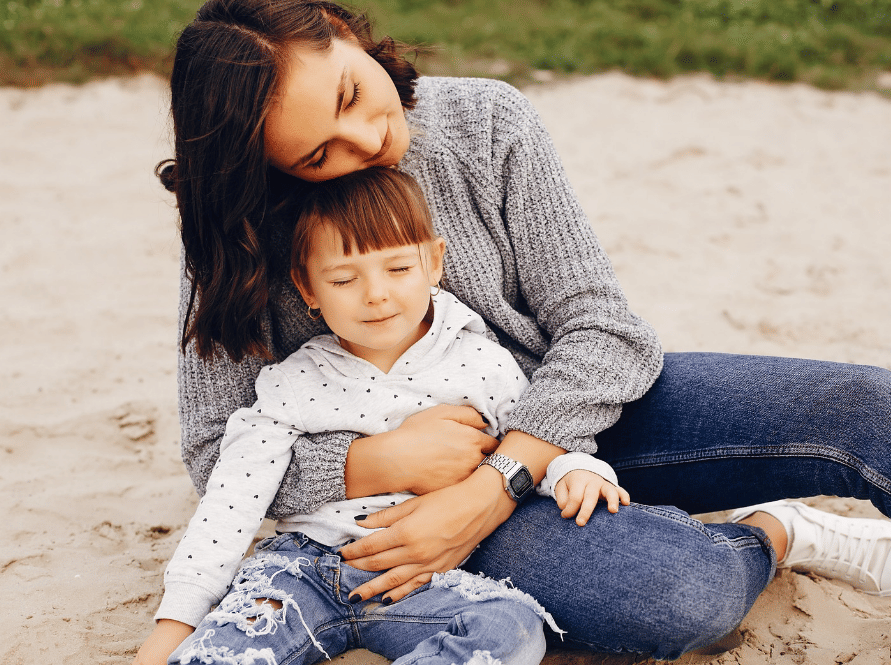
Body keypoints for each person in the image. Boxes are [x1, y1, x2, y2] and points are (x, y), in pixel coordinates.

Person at [152, 0, 891, 660]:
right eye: (317, 157)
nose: (367, 142)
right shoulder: (236, 232)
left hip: (572, 421)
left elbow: (604, 331)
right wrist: (377, 461)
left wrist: (496, 480)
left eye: (349, 97)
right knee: (678, 597)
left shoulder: (486, 121)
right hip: (414, 505)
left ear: (341, 29)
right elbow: (214, 451)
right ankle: (777, 530)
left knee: (862, 403)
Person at [136, 167, 628, 665]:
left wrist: (577, 469)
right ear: (307, 288)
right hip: (304, 568)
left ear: (434, 264)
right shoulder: (291, 383)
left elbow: (535, 442)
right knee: (223, 652)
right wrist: (175, 621)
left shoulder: (483, 364)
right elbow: (230, 502)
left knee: (511, 628)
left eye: (398, 269)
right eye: (344, 278)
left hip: (429, 577)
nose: (376, 294)